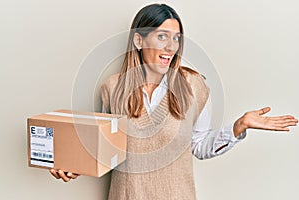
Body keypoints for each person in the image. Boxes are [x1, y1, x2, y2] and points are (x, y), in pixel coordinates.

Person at [50, 3, 298, 200]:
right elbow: (105, 150)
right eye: (162, 37)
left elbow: (199, 146)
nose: (171, 46)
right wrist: (73, 166)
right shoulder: (112, 88)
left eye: (177, 38)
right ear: (139, 41)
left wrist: (237, 128)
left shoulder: (193, 86)